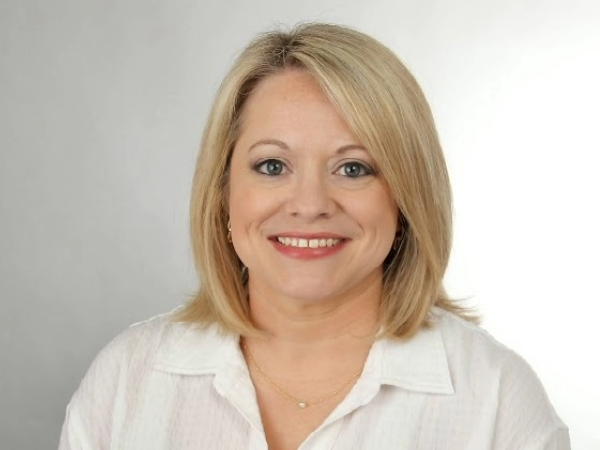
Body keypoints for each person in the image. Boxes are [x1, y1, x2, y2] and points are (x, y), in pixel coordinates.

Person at [59, 23, 569, 450]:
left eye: (353, 168)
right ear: (223, 192)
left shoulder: (496, 400)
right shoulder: (126, 380)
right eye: (272, 165)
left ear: (406, 197)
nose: (309, 204)